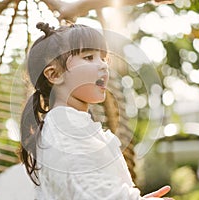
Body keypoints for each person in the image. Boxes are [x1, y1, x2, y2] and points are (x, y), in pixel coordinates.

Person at [19, 22, 174, 200]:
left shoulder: (72, 126)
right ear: (55, 75)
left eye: (103, 58)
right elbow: (88, 191)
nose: (103, 65)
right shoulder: (66, 131)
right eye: (89, 57)